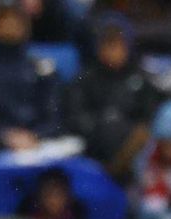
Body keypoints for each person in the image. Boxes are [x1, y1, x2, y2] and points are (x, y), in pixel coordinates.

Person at [64, 15, 160, 179]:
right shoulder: (84, 79)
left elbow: (149, 119)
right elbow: (75, 116)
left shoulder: (142, 79)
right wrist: (103, 127)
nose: (112, 52)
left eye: (117, 45)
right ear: (98, 47)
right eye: (107, 45)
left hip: (133, 154)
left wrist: (122, 129)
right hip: (93, 150)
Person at [0, 0, 63, 151]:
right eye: (2, 20)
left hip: (40, 143)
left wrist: (35, 135)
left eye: (14, 19)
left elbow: (54, 116)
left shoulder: (43, 67)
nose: (9, 25)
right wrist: (4, 135)